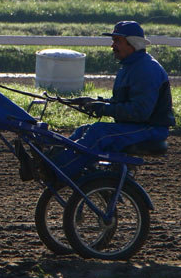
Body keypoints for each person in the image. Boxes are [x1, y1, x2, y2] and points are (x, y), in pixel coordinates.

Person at [57, 21, 174, 173]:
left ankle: (61, 171)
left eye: (117, 41)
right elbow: (123, 103)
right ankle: (59, 163)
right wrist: (95, 102)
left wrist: (104, 109)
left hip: (151, 129)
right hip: (138, 126)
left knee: (98, 133)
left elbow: (140, 111)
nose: (112, 46)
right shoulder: (130, 66)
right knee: (83, 131)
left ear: (133, 43)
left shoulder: (147, 69)